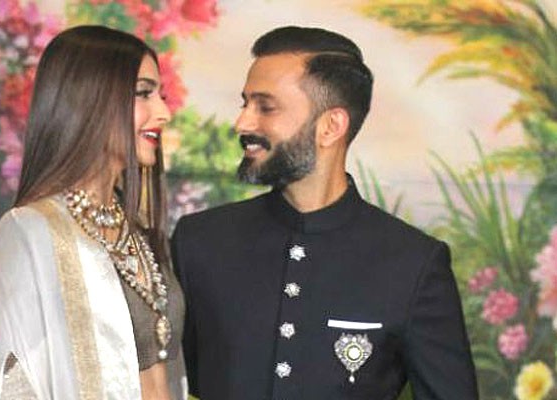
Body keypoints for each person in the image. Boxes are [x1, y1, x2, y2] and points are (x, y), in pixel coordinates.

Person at [171, 26, 477, 399]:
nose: (243, 123)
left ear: (331, 126)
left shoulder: (414, 263)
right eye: (245, 104)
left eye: (266, 107)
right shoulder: (200, 241)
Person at [0, 25, 186, 400]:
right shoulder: (31, 230)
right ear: (89, 98)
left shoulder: (136, 231)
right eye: (144, 93)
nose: (163, 112)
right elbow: (14, 383)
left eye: (161, 95)